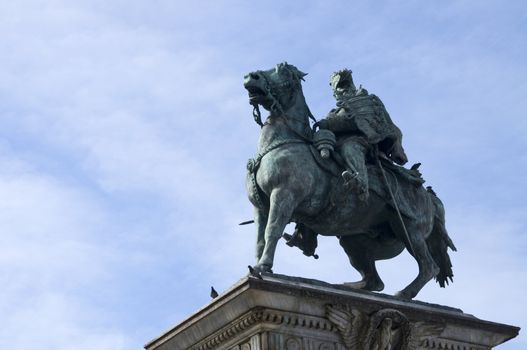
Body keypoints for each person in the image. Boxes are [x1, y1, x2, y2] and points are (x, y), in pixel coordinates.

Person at [315, 69, 408, 200]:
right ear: (336, 93)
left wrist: (396, 147)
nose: (345, 88)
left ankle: (360, 183)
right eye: (341, 86)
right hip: (336, 144)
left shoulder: (369, 101)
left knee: (350, 148)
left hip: (364, 142)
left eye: (347, 84)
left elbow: (387, 125)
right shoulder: (334, 112)